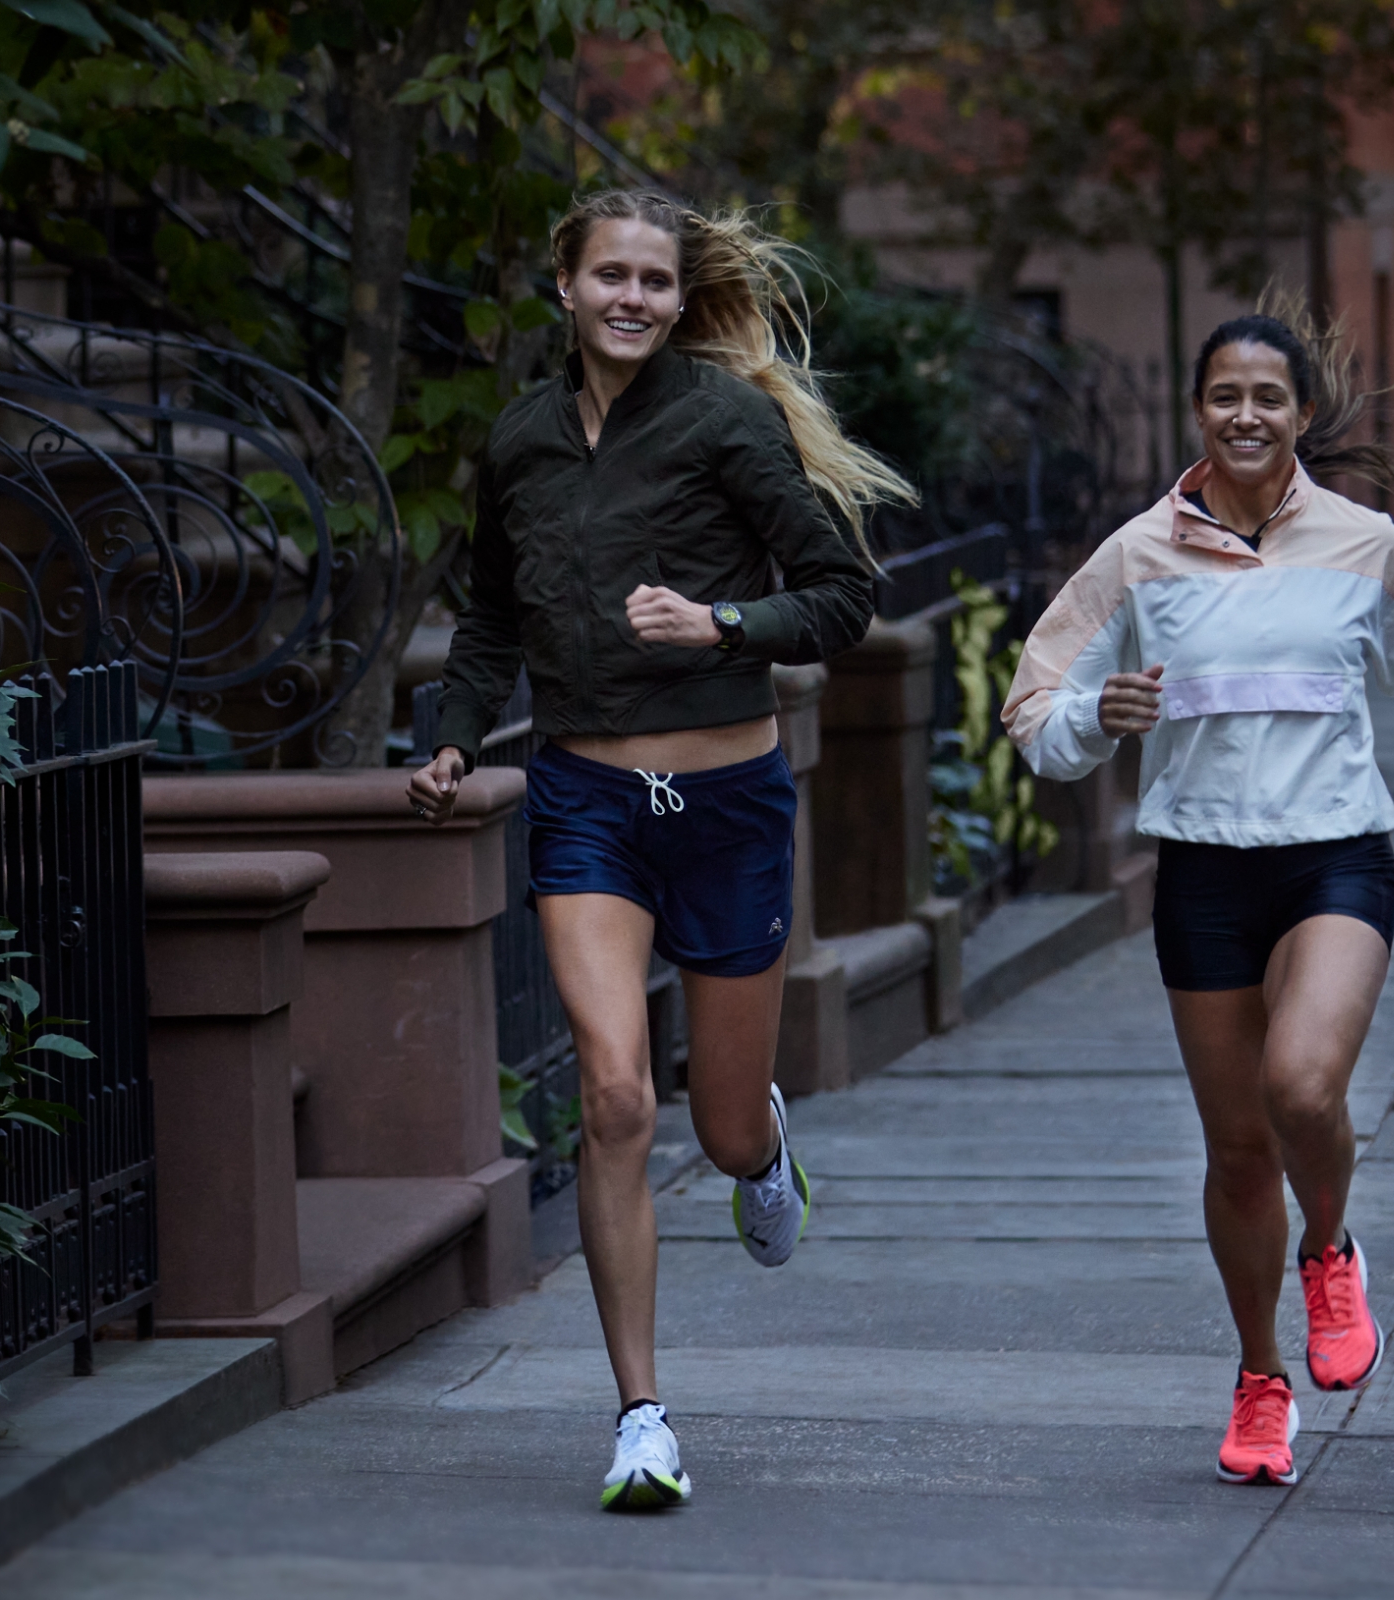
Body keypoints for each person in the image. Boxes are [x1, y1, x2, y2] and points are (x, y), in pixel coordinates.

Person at [407, 190, 912, 1512]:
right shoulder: (517, 440)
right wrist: (457, 738)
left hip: (728, 805)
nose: (633, 299)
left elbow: (844, 599)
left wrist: (722, 622)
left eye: (656, 281)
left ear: (681, 303)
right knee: (619, 1096)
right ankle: (641, 1417)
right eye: (610, 276)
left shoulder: (723, 420)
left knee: (722, 1121)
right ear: (563, 287)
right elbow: (488, 621)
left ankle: (765, 1151)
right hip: (588, 804)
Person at [1001, 309, 1394, 1487]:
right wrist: (1096, 718)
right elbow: (1036, 711)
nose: (1245, 415)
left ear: (1301, 415)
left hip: (1335, 854)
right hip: (1204, 871)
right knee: (1237, 1150)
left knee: (1299, 1084)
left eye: (1266, 397)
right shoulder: (1137, 553)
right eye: (1224, 395)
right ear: (1197, 410)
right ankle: (1261, 1376)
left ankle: (1330, 1250)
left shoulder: (1363, 541)